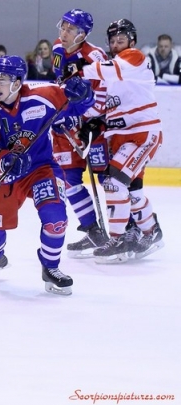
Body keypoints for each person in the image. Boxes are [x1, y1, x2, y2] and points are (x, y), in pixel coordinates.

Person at [0, 55, 95, 295]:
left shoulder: (43, 95)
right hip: (7, 175)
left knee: (55, 218)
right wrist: (4, 161)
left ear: (17, 82)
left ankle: (51, 268)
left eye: (2, 79)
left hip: (41, 168)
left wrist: (85, 95)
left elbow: (78, 106)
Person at [69, 19, 164, 263]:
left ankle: (118, 237)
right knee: (133, 191)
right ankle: (151, 232)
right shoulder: (113, 77)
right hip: (121, 138)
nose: (115, 44)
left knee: (113, 182)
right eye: (112, 41)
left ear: (131, 41)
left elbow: (105, 69)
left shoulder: (134, 58)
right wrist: (97, 122)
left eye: (120, 39)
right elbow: (110, 108)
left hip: (141, 134)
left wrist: (79, 69)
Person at [50, 9, 111, 258]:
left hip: (94, 126)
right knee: (69, 177)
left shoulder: (95, 56)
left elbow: (105, 98)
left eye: (70, 29)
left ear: (82, 34)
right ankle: (93, 230)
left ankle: (128, 231)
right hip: (68, 125)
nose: (63, 33)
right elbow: (59, 85)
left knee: (109, 180)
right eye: (62, 27)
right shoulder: (56, 49)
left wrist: (85, 119)